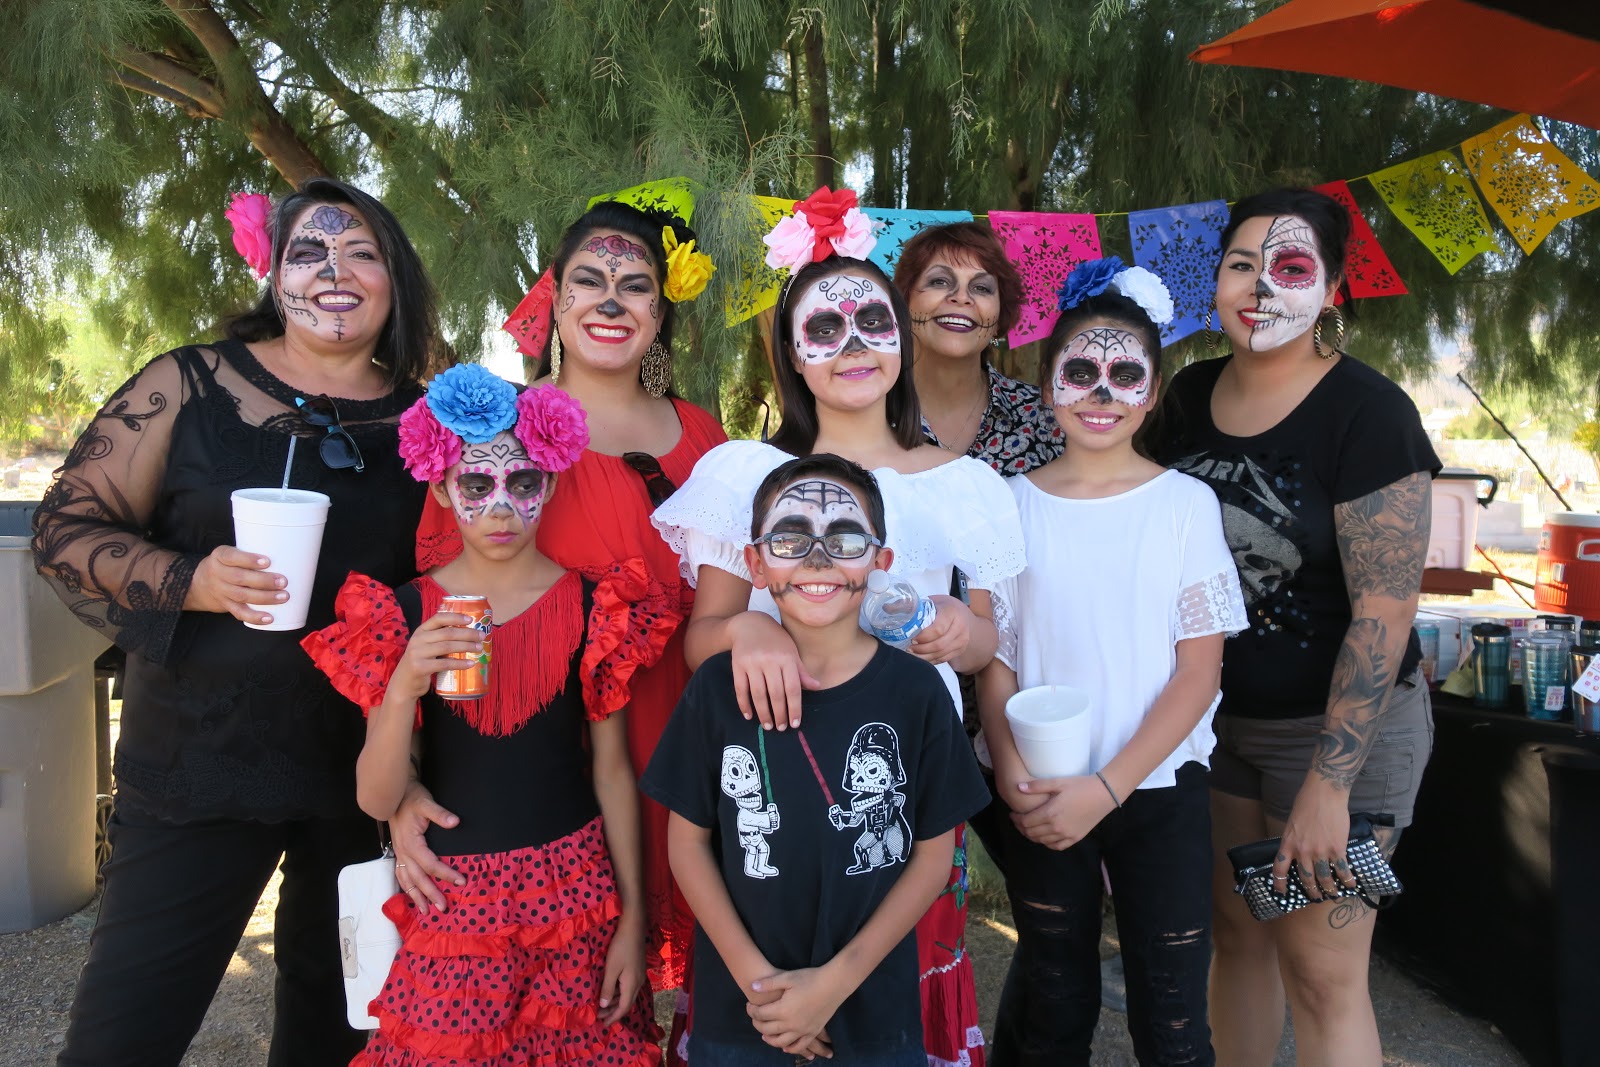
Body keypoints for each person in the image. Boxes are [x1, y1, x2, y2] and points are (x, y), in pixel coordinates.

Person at [31, 177, 444, 1066]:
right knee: (121, 1039)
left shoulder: (428, 420)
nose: (335, 271)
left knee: (335, 1043)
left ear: (396, 277)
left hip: (360, 785)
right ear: (274, 273)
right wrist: (191, 577)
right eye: (309, 251)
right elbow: (64, 530)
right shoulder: (188, 384)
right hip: (196, 773)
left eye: (362, 251)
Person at [652, 187, 1023, 1067]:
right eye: (826, 329)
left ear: (904, 336)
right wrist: (752, 631)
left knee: (892, 995)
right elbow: (704, 633)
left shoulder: (963, 485)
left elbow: (987, 642)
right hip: (770, 789)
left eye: (872, 323)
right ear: (791, 352)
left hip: (905, 784)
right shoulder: (746, 473)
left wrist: (952, 632)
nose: (853, 346)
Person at [388, 200, 726, 1054]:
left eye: (636, 286)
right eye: (590, 281)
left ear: (660, 312)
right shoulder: (506, 441)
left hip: (698, 747)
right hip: (558, 776)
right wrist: (403, 798)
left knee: (691, 999)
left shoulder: (708, 438)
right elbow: (442, 611)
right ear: (555, 300)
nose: (612, 302)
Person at [303, 367, 666, 1064]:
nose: (501, 507)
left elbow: (613, 773)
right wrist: (408, 678)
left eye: (523, 482)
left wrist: (631, 920)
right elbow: (377, 796)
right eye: (477, 485)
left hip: (576, 898)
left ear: (551, 484)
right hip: (455, 900)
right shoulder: (404, 614)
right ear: (441, 487)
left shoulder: (595, 607)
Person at [1154, 187, 1439, 1066]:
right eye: (1242, 263)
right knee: (1235, 942)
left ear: (1333, 290)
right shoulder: (1186, 397)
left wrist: (1330, 782)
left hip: (1339, 738)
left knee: (1320, 972)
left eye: (1289, 267)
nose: (1260, 287)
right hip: (1216, 730)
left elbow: (1386, 610)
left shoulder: (1371, 412)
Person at [978, 258, 1245, 1066]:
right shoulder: (1009, 505)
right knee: (1055, 998)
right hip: (1041, 793)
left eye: (1125, 374)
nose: (1101, 391)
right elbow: (995, 657)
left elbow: (1199, 671)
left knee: (1170, 1016)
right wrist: (1007, 771)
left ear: (1153, 392)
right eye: (1081, 371)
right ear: (1050, 383)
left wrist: (1110, 787)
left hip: (1156, 789)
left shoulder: (1185, 506)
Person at [641, 454, 991, 1065]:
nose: (818, 557)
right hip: (744, 1009)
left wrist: (832, 985)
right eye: (790, 537)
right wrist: (764, 990)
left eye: (846, 537)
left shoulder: (919, 692)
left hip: (872, 1008)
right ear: (754, 562)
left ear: (881, 562)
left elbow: (935, 858)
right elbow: (687, 846)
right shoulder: (717, 690)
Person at [894, 221, 1064, 473]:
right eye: (939, 281)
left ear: (998, 319)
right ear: (904, 302)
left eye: (981, 287)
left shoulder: (1047, 418)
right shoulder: (870, 409)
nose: (961, 297)